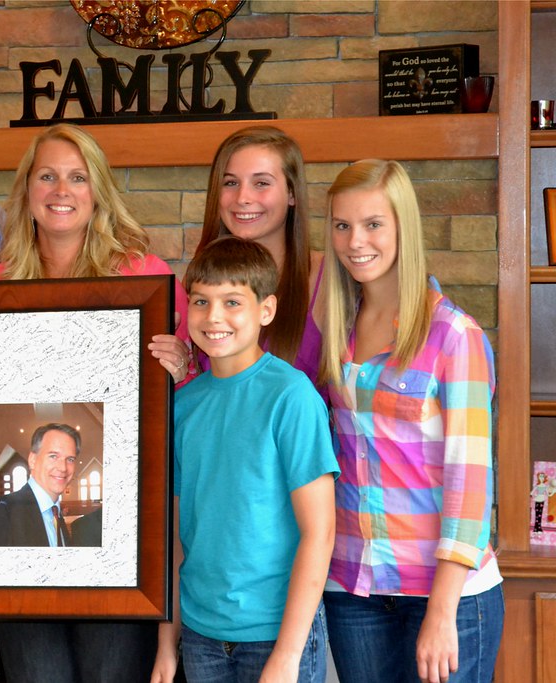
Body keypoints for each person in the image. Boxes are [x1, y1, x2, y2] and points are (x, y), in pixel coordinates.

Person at [0, 122, 192, 683]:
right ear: (27, 191)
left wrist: (180, 364)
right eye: (48, 176)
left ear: (97, 191)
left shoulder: (144, 280)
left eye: (78, 178)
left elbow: (173, 399)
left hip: (123, 550)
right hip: (16, 573)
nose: (62, 189)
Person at [318, 159, 504, 683]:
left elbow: (470, 487)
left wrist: (442, 611)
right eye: (342, 225)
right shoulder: (339, 330)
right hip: (354, 590)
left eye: (374, 223)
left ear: (404, 227)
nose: (356, 241)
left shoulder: (454, 335)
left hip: (446, 597)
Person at [151, 236, 338, 683]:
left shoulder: (291, 397)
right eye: (201, 302)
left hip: (275, 634)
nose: (214, 317)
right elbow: (176, 539)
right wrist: (166, 644)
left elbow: (320, 533)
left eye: (232, 301)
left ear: (266, 310)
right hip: (200, 634)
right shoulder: (182, 406)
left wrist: (288, 655)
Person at [196, 126, 322, 385]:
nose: (243, 198)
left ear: (291, 193)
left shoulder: (326, 275)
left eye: (261, 183)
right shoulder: (205, 275)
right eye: (230, 183)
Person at [0, 423, 81, 547]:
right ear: (32, 460)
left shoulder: (56, 514)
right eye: (53, 456)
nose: (63, 467)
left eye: (70, 459)